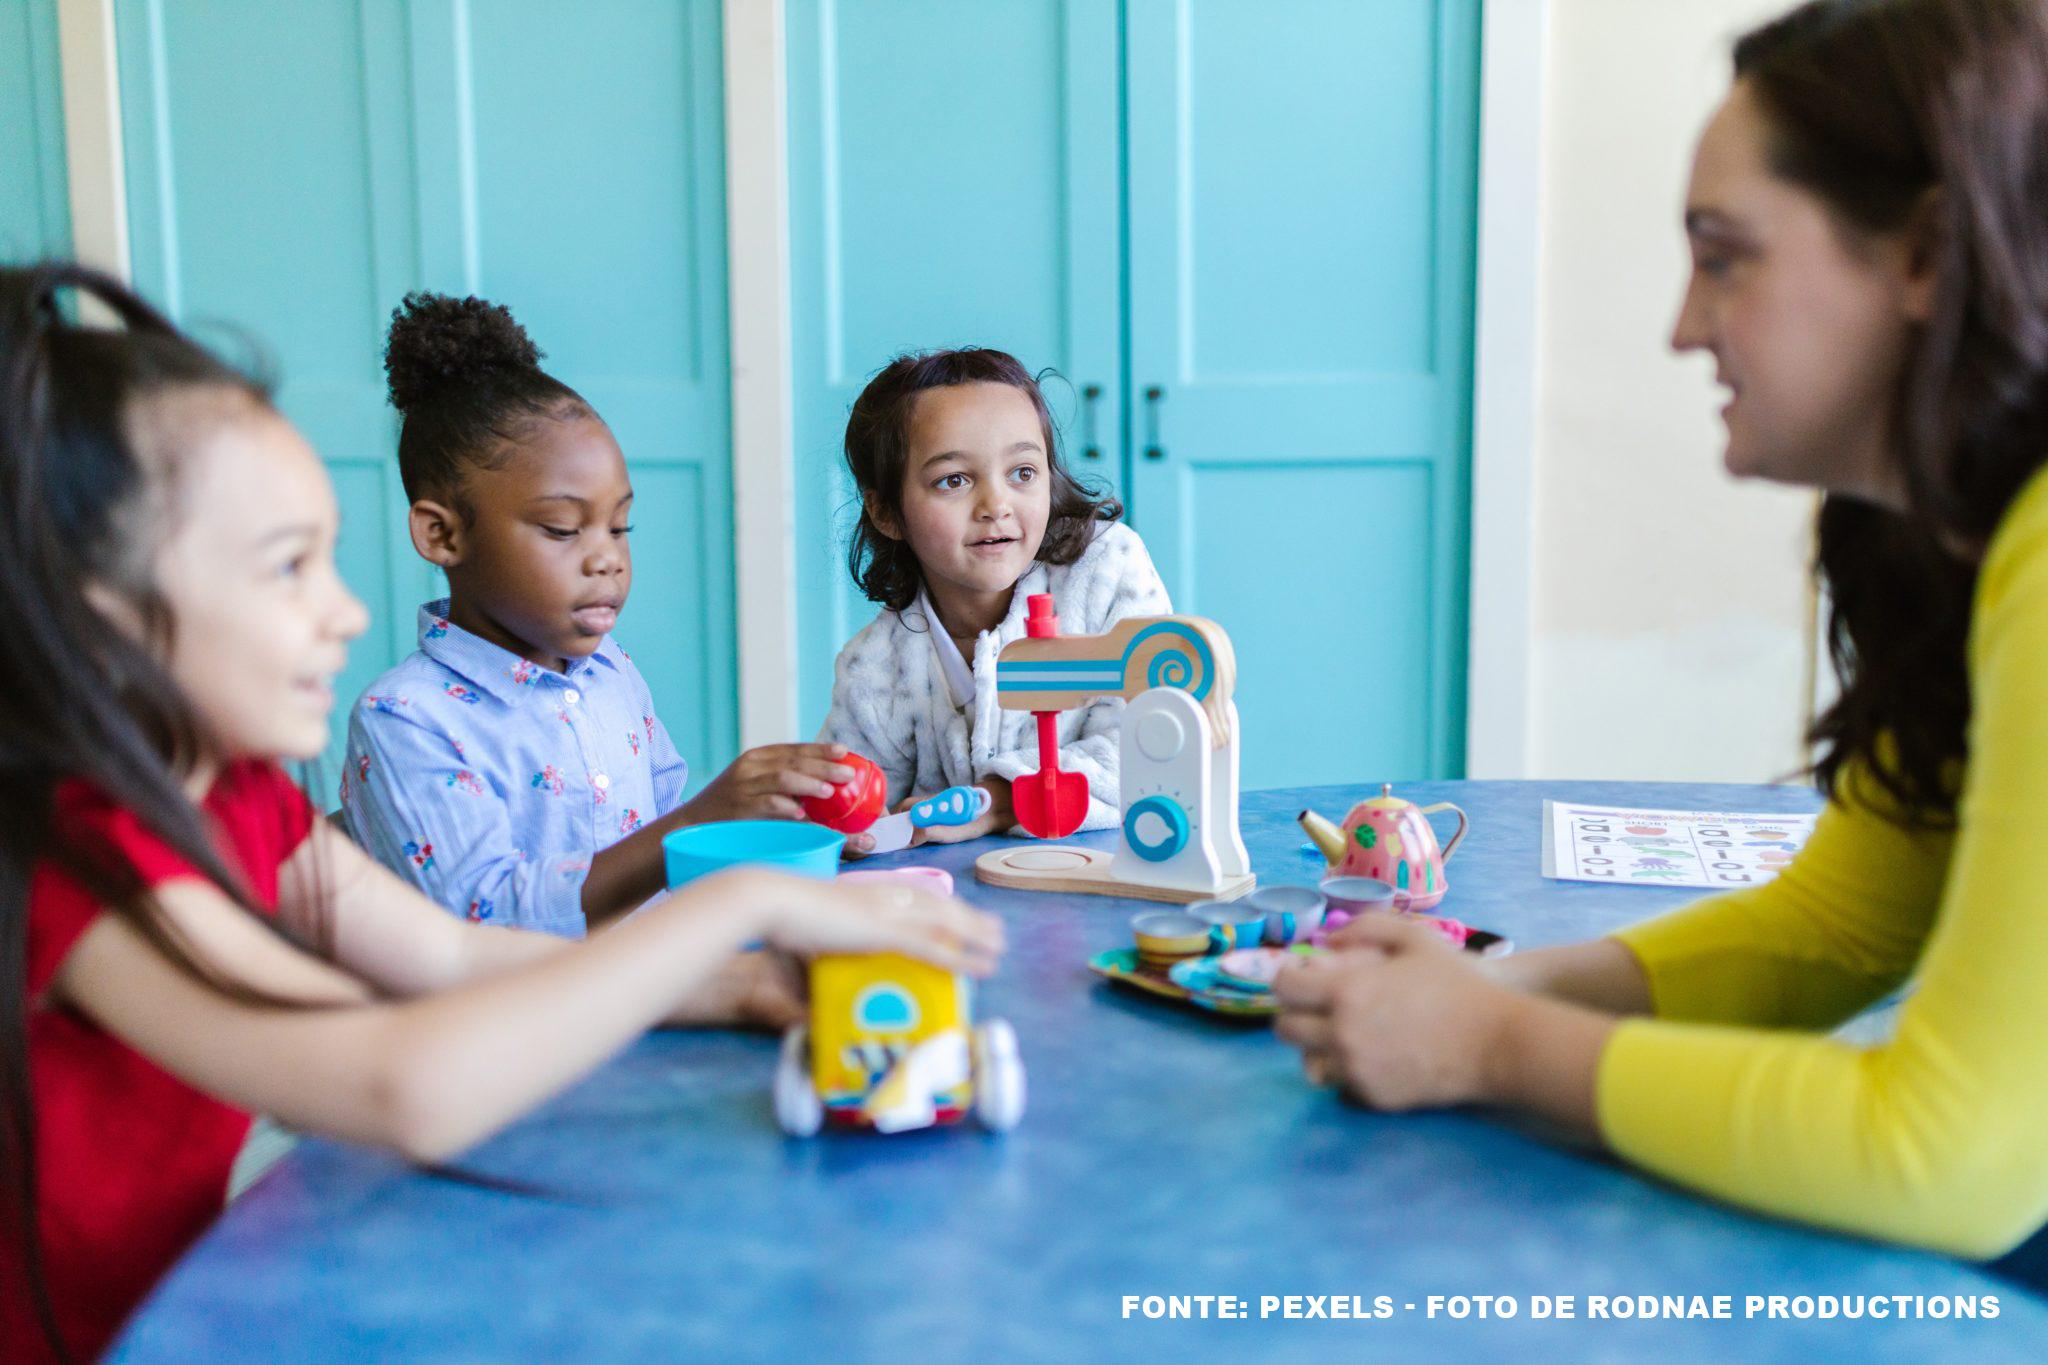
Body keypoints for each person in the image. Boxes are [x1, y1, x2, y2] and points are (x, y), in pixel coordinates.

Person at [0, 264, 1004, 1362]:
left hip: (196, 1308)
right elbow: (400, 1084)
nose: (342, 611)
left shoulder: (234, 794)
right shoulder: (74, 864)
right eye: (287, 568)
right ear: (98, 607)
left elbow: (453, 957)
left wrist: (746, 985)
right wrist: (741, 902)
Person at [1275, 0, 2048, 1281]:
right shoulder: (1945, 546)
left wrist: (1482, 1048)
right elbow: (1845, 930)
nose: (1683, 327)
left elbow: (1944, 1153)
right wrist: (1490, 993)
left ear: (1924, 254)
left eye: (1723, 255)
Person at [819, 348, 1170, 851]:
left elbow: (1153, 748)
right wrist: (850, 826)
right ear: (886, 512)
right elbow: (852, 810)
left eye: (1023, 473)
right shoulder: (872, 668)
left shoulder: (1108, 568)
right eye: (954, 480)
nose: (996, 506)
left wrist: (997, 801)